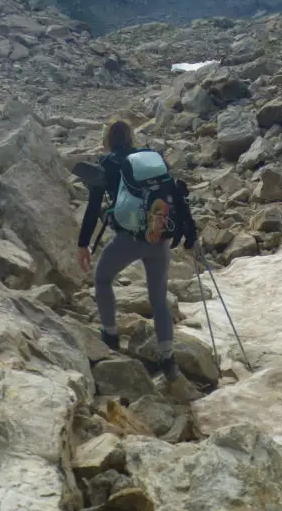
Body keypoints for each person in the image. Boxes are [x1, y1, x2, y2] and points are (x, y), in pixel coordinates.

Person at [77, 119, 197, 382]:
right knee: (158, 298)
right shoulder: (151, 160)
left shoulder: (108, 164)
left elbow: (92, 207)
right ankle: (168, 360)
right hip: (160, 238)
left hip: (129, 240)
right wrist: (189, 232)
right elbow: (175, 195)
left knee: (102, 278)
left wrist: (83, 244)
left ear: (108, 139)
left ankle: (110, 336)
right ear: (131, 137)